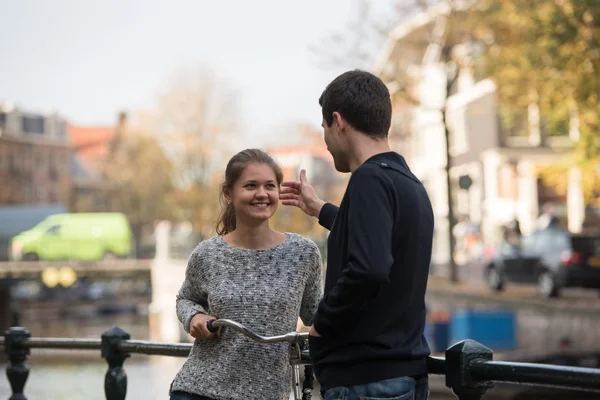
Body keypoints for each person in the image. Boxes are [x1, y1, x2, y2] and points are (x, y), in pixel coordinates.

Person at [280, 70, 434, 400]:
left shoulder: (368, 180)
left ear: (338, 122)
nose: (325, 140)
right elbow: (376, 236)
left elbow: (369, 268)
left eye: (323, 128)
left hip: (365, 380)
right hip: (403, 373)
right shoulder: (408, 183)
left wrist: (320, 324)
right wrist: (320, 209)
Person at [169, 149, 323, 400]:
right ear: (228, 194)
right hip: (200, 391)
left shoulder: (303, 254)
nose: (261, 194)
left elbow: (318, 314)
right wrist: (194, 317)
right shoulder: (207, 254)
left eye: (269, 186)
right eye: (251, 185)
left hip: (268, 393)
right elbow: (185, 299)